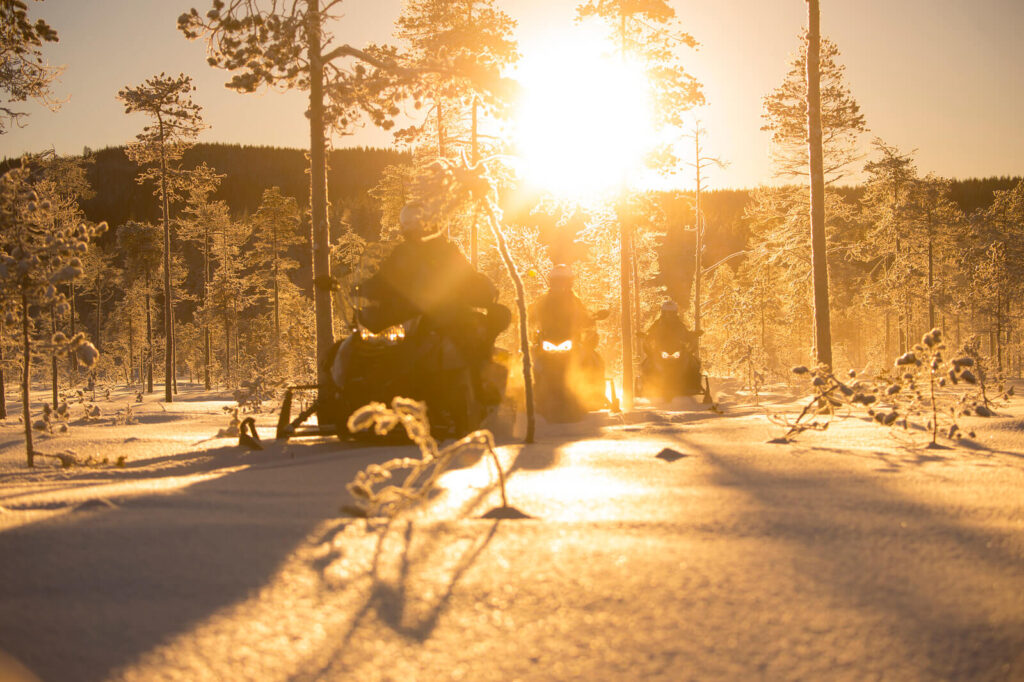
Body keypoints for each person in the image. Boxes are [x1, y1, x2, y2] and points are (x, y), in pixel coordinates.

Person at [357, 201, 510, 392]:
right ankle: (349, 392)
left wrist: (477, 289)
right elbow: (384, 279)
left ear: (431, 227)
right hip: (405, 317)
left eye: (421, 227)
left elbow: (466, 276)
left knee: (466, 342)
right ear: (406, 229)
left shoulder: (446, 252)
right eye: (412, 228)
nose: (418, 233)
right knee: (358, 344)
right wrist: (362, 288)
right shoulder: (401, 253)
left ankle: (477, 390)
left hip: (445, 316)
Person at [528, 264, 597, 349]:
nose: (560, 284)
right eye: (556, 281)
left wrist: (591, 318)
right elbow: (530, 312)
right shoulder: (542, 301)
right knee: (527, 356)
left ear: (569, 283)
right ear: (551, 282)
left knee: (592, 357)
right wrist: (522, 316)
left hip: (572, 343)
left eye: (563, 281)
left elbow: (585, 314)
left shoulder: (575, 301)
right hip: (546, 342)